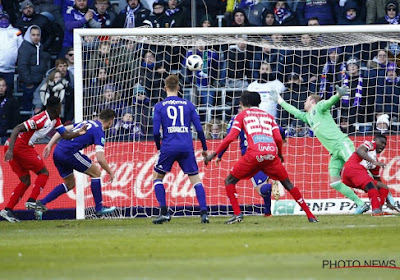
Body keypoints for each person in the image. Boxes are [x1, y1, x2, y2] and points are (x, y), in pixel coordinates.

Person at [204, 90, 318, 224]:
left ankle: (238, 214)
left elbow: (230, 137)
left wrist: (214, 154)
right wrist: (279, 154)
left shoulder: (242, 116)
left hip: (253, 154)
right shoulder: (269, 116)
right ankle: (310, 215)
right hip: (271, 154)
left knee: (229, 181)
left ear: (243, 103)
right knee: (288, 184)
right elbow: (277, 137)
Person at [270, 85, 369, 214]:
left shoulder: (320, 107)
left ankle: (384, 195)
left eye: (306, 100)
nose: (304, 102)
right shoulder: (308, 117)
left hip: (342, 144)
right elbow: (293, 111)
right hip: (334, 152)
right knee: (335, 182)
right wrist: (279, 100)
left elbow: (329, 102)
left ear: (312, 101)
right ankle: (360, 203)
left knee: (359, 171)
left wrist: (338, 95)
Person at [0, 96, 87, 223]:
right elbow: (17, 128)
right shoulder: (41, 119)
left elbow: (65, 135)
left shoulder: (55, 120)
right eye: (60, 106)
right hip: (19, 146)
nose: (61, 108)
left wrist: (78, 133)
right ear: (56, 108)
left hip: (15, 146)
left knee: (25, 180)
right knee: (44, 173)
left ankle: (7, 210)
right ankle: (31, 201)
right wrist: (10, 150)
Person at [27, 109, 117, 218]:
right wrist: (110, 172)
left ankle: (41, 204)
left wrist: (50, 144)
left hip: (58, 151)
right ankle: (99, 208)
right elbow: (100, 158)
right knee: (96, 173)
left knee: (70, 184)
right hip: (69, 153)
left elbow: (62, 130)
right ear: (110, 121)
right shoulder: (99, 130)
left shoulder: (86, 122)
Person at [152, 74, 209, 224]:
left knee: (157, 178)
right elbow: (200, 129)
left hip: (169, 147)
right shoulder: (189, 105)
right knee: (195, 180)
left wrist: (159, 147)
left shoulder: (159, 106)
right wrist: (204, 148)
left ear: (165, 88)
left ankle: (164, 212)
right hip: (186, 146)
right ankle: (204, 213)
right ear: (178, 87)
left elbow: (155, 132)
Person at [217, 107, 286, 217]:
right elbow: (279, 130)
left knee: (260, 188)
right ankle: (268, 212)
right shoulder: (263, 116)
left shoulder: (237, 119)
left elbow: (229, 138)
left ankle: (240, 213)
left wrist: (219, 155)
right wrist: (283, 139)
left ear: (242, 105)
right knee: (264, 184)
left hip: (251, 157)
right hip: (268, 152)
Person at [341, 134, 392, 216]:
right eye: (382, 142)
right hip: (352, 168)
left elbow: (378, 181)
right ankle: (376, 210)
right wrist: (373, 162)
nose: (383, 145)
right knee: (371, 185)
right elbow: (359, 151)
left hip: (352, 177)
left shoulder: (375, 164)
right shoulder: (371, 144)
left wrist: (388, 202)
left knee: (383, 187)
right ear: (375, 140)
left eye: (385, 144)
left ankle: (379, 209)